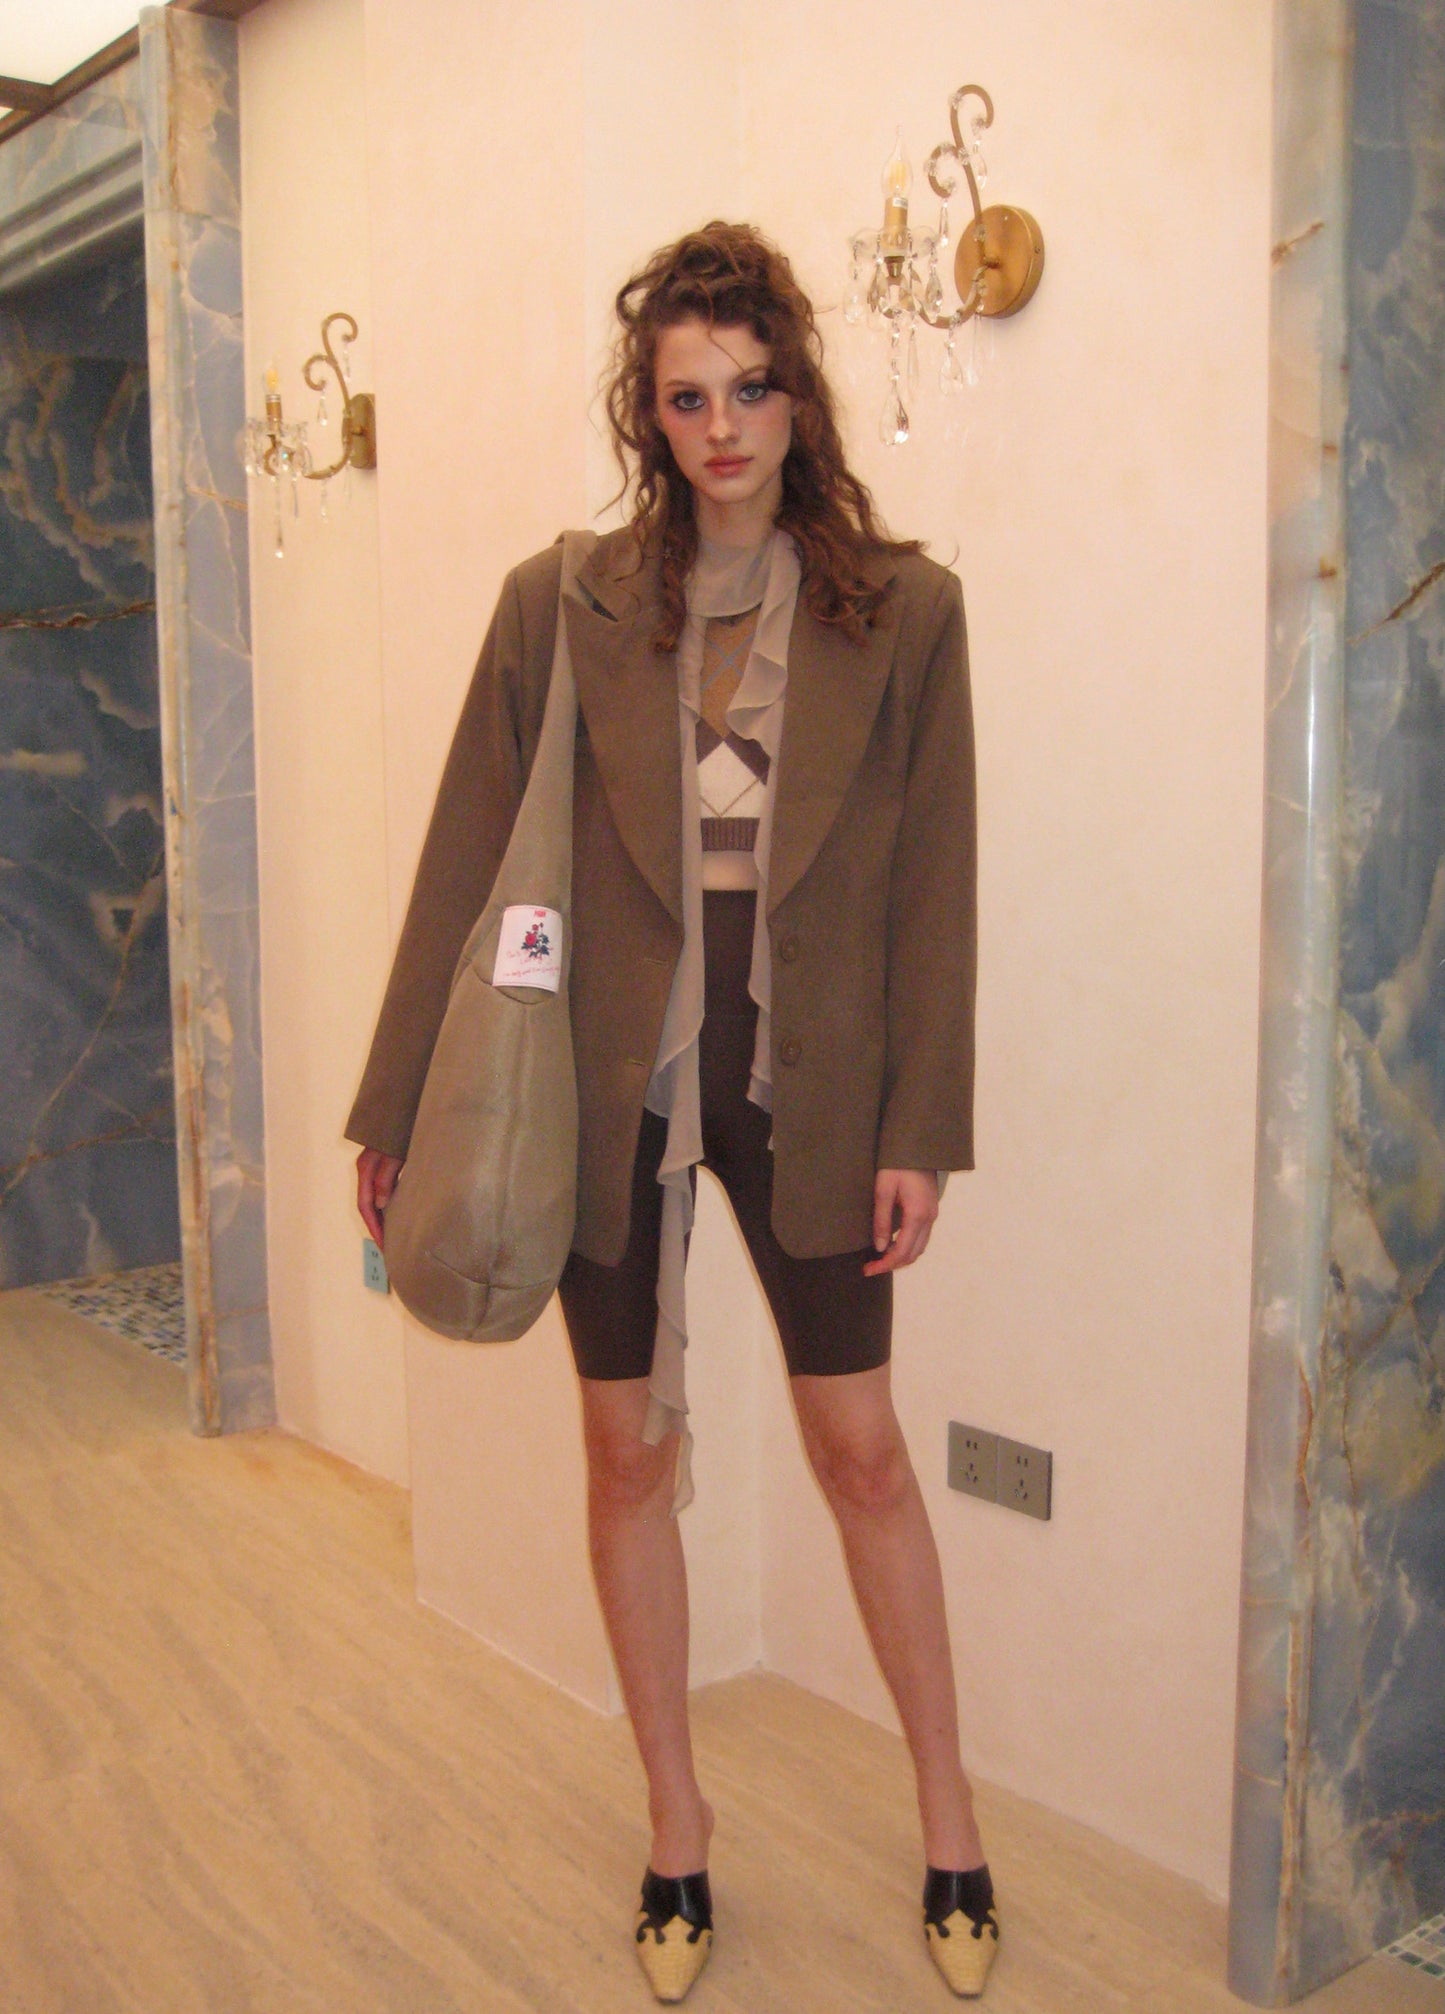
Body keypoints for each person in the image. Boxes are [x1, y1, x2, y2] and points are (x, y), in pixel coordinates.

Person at [347, 222, 994, 2003]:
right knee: (623, 1450)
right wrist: (398, 1099)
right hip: (601, 1074)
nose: (722, 428)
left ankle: (951, 1826)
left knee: (861, 1451)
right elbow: (467, 854)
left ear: (798, 397)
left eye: (750, 389)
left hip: (816, 1075)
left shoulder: (903, 609)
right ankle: (677, 1828)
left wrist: (918, 1128)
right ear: (648, 412)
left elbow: (933, 881)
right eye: (687, 396)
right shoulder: (561, 602)